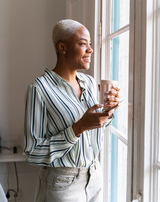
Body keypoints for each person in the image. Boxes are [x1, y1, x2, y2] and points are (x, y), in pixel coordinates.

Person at [24, 19, 120, 202]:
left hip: (94, 177)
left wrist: (109, 109)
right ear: (62, 47)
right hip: (62, 185)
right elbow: (32, 153)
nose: (90, 50)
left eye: (90, 44)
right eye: (83, 44)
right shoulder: (39, 89)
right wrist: (78, 128)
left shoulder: (90, 83)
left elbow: (99, 125)